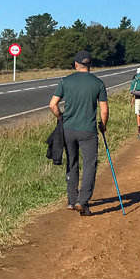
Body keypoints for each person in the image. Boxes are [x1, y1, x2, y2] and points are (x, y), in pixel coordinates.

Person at [49, 50, 108, 216]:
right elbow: (104, 109)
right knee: (89, 165)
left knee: (72, 162)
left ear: (76, 64)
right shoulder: (98, 83)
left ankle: (71, 200)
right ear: (90, 65)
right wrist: (103, 125)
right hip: (88, 130)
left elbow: (52, 104)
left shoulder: (65, 81)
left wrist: (61, 117)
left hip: (68, 129)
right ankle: (83, 201)